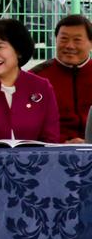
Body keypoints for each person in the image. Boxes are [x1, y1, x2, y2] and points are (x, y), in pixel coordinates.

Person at [31, 14, 92, 144]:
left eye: (77, 40)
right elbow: (28, 124)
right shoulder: (37, 77)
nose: (69, 46)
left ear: (90, 43)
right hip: (53, 149)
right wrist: (63, 142)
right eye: (63, 39)